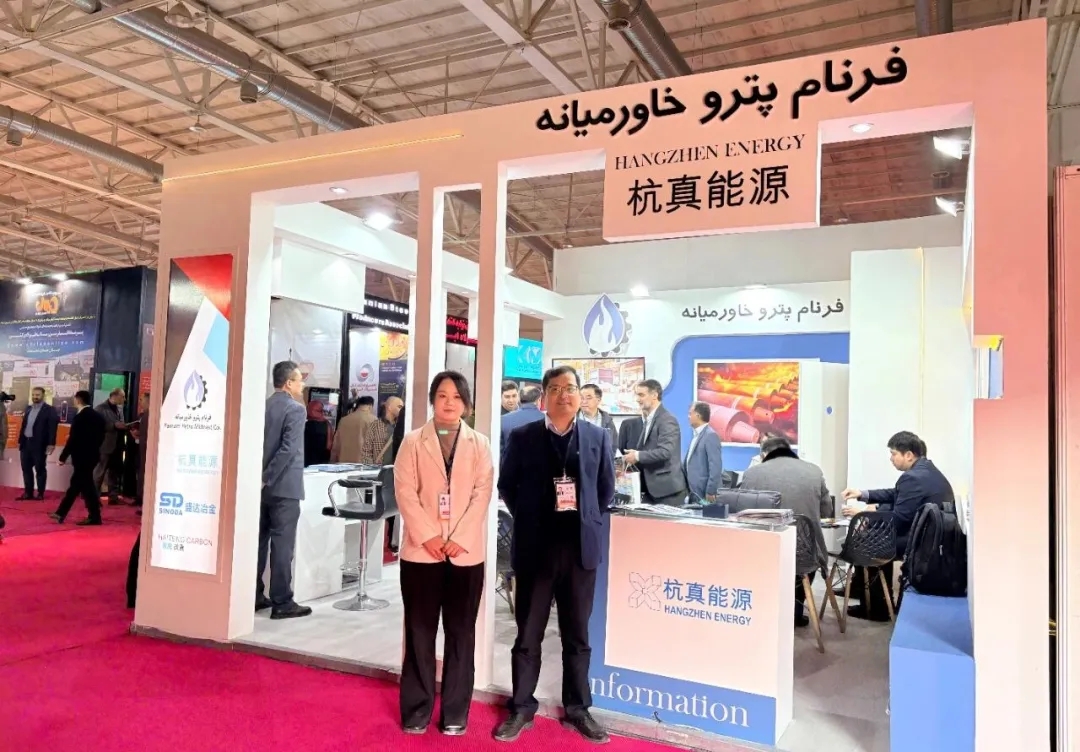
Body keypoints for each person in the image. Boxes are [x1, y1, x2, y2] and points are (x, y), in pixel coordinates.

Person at [494, 365, 615, 744]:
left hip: (579, 551)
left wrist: (585, 517)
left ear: (580, 395)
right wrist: (530, 517)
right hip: (536, 550)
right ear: (544, 397)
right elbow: (507, 485)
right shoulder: (524, 435)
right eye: (556, 388)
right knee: (528, 634)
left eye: (571, 388)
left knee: (577, 635)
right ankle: (521, 707)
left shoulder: (597, 437)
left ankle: (578, 709)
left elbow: (605, 490)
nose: (565, 394)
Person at [394, 371, 493, 736]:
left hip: (465, 554)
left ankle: (455, 711)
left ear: (466, 403)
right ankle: (417, 709)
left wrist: (459, 537)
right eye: (442, 396)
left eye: (456, 396)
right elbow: (405, 492)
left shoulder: (480, 444)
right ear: (433, 400)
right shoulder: (412, 442)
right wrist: (430, 536)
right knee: (419, 632)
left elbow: (483, 493)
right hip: (422, 554)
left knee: (461, 634)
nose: (449, 403)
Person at [740, 435, 831, 626]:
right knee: (803, 569)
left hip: (766, 551)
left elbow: (742, 512)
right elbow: (826, 511)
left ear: (764, 454)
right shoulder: (814, 471)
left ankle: (768, 614)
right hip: (806, 552)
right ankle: (795, 612)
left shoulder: (751, 474)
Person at [257, 360, 312, 620]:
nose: (303, 384)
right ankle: (282, 601)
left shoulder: (263, 406)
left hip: (261, 489)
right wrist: (268, 477)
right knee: (282, 546)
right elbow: (288, 449)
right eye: (300, 380)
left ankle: (255, 595)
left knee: (259, 542)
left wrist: (260, 479)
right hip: (284, 487)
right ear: (289, 383)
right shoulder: (296, 409)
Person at [841, 430, 955, 556]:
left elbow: (898, 521)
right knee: (871, 534)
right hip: (933, 539)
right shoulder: (927, 470)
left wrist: (864, 516)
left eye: (893, 454)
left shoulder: (913, 477)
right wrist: (861, 494)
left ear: (909, 455)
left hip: (919, 541)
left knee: (860, 540)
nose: (891, 458)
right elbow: (896, 494)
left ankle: (868, 569)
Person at [622, 379, 685, 506]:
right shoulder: (649, 419)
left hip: (667, 491)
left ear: (655, 395)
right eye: (637, 395)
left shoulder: (667, 420)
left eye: (641, 395)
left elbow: (665, 452)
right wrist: (636, 453)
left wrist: (637, 456)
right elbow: (649, 448)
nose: (637, 399)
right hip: (649, 490)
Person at [50, 390, 106, 526]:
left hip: (81, 457)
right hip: (93, 456)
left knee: (78, 486)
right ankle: (90, 515)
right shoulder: (98, 417)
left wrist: (63, 457)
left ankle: (64, 513)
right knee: (85, 486)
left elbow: (73, 440)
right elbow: (101, 437)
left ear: (78, 400)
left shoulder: (80, 417)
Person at [18, 387, 59, 500]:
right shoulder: (28, 408)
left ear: (43, 396)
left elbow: (52, 428)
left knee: (40, 469)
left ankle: (40, 493)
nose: (35, 397)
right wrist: (20, 441)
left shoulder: (50, 410)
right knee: (26, 469)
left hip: (40, 445)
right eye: (33, 394)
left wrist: (51, 444)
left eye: (37, 395)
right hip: (26, 443)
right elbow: (24, 426)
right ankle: (28, 493)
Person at [683, 401, 723, 503]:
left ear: (698, 415)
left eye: (690, 413)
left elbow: (715, 466)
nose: (688, 417)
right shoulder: (696, 436)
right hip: (693, 492)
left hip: (704, 493)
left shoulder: (710, 436)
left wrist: (711, 491)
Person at [94, 388, 127, 505]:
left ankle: (113, 497)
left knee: (114, 472)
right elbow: (96, 426)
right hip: (105, 445)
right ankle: (94, 498)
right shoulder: (100, 409)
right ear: (114, 395)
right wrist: (113, 426)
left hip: (118, 445)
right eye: (122, 396)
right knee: (100, 472)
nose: (124, 399)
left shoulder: (119, 409)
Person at [499, 384, 543, 454]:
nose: (511, 400)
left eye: (514, 396)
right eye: (507, 397)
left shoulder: (502, 420)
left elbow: (500, 450)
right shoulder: (548, 420)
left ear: (519, 398)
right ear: (539, 400)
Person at [360, 396, 403, 465]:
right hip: (379, 468)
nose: (402, 410)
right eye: (399, 407)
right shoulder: (375, 425)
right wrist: (372, 468)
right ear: (390, 407)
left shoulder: (402, 426)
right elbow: (366, 451)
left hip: (397, 468)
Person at [331, 395, 375, 463]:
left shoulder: (343, 420)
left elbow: (336, 444)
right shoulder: (374, 420)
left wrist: (333, 461)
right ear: (370, 406)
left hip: (343, 462)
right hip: (364, 465)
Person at [578, 383, 617, 449]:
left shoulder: (607, 420)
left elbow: (613, 445)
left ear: (598, 400)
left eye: (588, 398)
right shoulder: (571, 419)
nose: (584, 401)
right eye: (581, 398)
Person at [130, 393, 150, 509]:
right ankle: (139, 496)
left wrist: (138, 436)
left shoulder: (150, 414)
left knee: (144, 472)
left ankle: (142, 498)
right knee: (140, 471)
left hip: (146, 448)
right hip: (141, 447)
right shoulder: (143, 415)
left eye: (142, 400)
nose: (140, 402)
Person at [303, 399, 334, 466]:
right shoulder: (327, 425)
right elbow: (329, 446)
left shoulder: (305, 425)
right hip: (322, 463)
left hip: (306, 463)